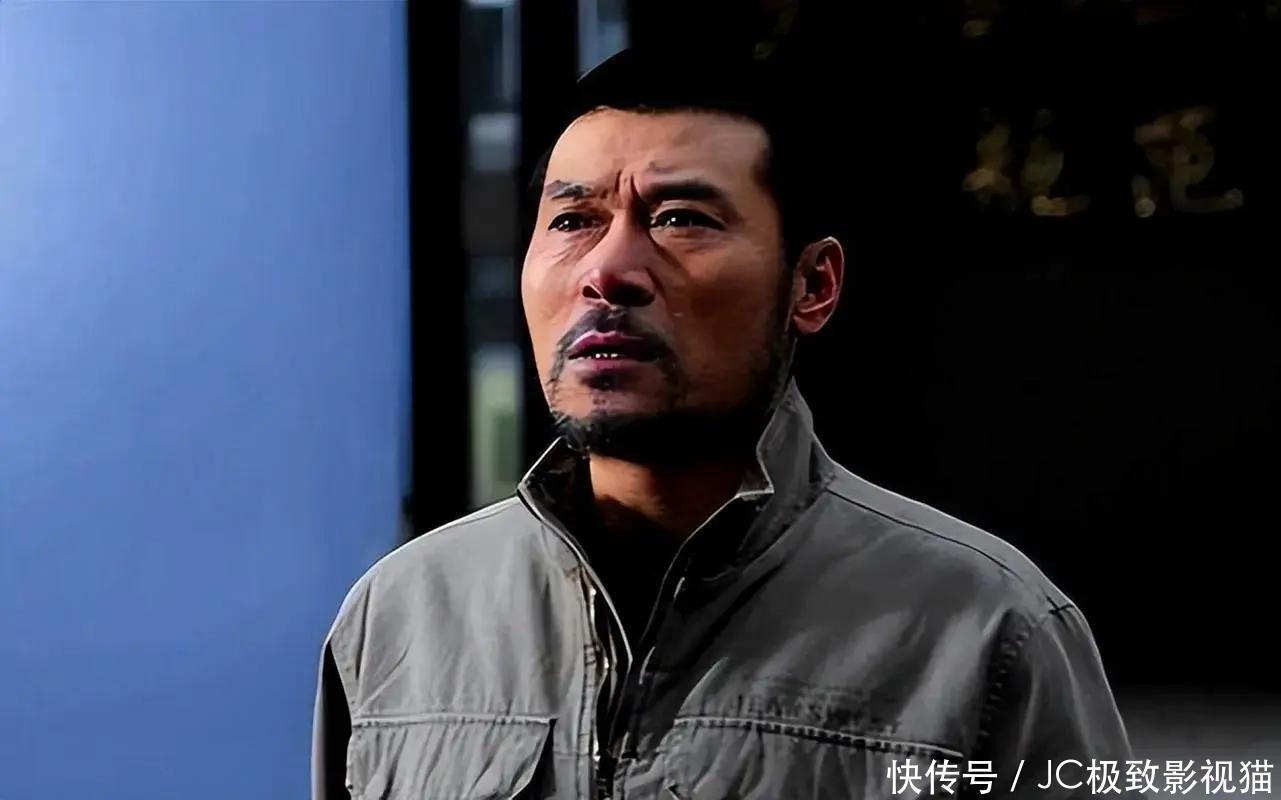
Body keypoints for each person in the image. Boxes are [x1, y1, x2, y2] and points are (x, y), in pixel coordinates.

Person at [312, 48, 1140, 800]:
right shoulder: (404, 612)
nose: (608, 271)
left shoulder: (984, 627)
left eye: (680, 218)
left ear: (812, 285)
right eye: (572, 220)